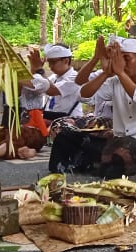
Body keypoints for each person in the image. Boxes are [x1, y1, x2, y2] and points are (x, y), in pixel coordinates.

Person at [74, 38, 136, 177]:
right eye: (118, 59)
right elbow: (83, 96)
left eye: (126, 58)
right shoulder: (115, 81)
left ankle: (101, 167)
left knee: (121, 147)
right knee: (69, 137)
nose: (122, 64)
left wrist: (121, 73)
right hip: (119, 142)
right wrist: (106, 72)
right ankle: (91, 167)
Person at [46, 37, 116, 171]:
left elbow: (51, 90)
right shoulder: (101, 74)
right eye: (106, 54)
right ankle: (70, 165)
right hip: (98, 126)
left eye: (111, 55)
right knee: (62, 129)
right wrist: (96, 58)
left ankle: (86, 161)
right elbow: (81, 85)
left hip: (119, 133)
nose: (106, 58)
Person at [0, 54, 50, 163]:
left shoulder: (34, 79)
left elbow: (44, 84)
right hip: (6, 128)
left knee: (16, 134)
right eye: (3, 66)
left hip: (32, 130)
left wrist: (14, 77)